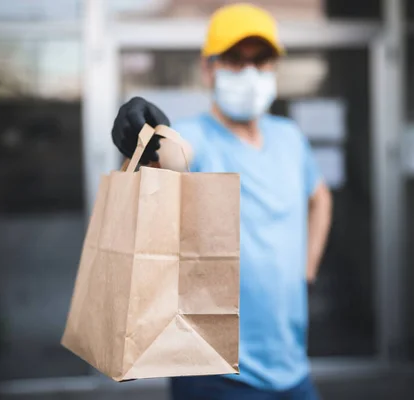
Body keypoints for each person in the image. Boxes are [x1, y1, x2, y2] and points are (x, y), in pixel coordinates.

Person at [111, 3, 332, 399]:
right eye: (233, 60)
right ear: (207, 68)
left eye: (260, 60)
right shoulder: (196, 138)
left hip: (292, 365)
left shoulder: (289, 138)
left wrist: (307, 270)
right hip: (215, 373)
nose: (249, 72)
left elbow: (320, 198)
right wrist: (139, 145)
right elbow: (163, 167)